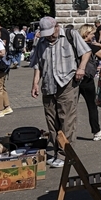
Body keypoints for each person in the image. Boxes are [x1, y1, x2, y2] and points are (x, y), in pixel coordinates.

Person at [30, 17, 91, 166]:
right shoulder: (41, 42)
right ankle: (57, 151)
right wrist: (35, 84)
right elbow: (38, 64)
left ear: (57, 27)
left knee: (67, 119)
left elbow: (86, 51)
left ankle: (65, 154)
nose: (50, 36)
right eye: (46, 34)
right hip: (48, 84)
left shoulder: (70, 35)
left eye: (51, 32)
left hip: (67, 82)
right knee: (52, 120)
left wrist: (81, 68)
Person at [77, 24, 101, 140]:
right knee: (92, 106)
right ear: (86, 34)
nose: (93, 36)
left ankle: (63, 131)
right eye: (92, 34)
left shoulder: (75, 44)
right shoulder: (90, 46)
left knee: (70, 107)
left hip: (74, 78)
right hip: (86, 79)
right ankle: (96, 131)